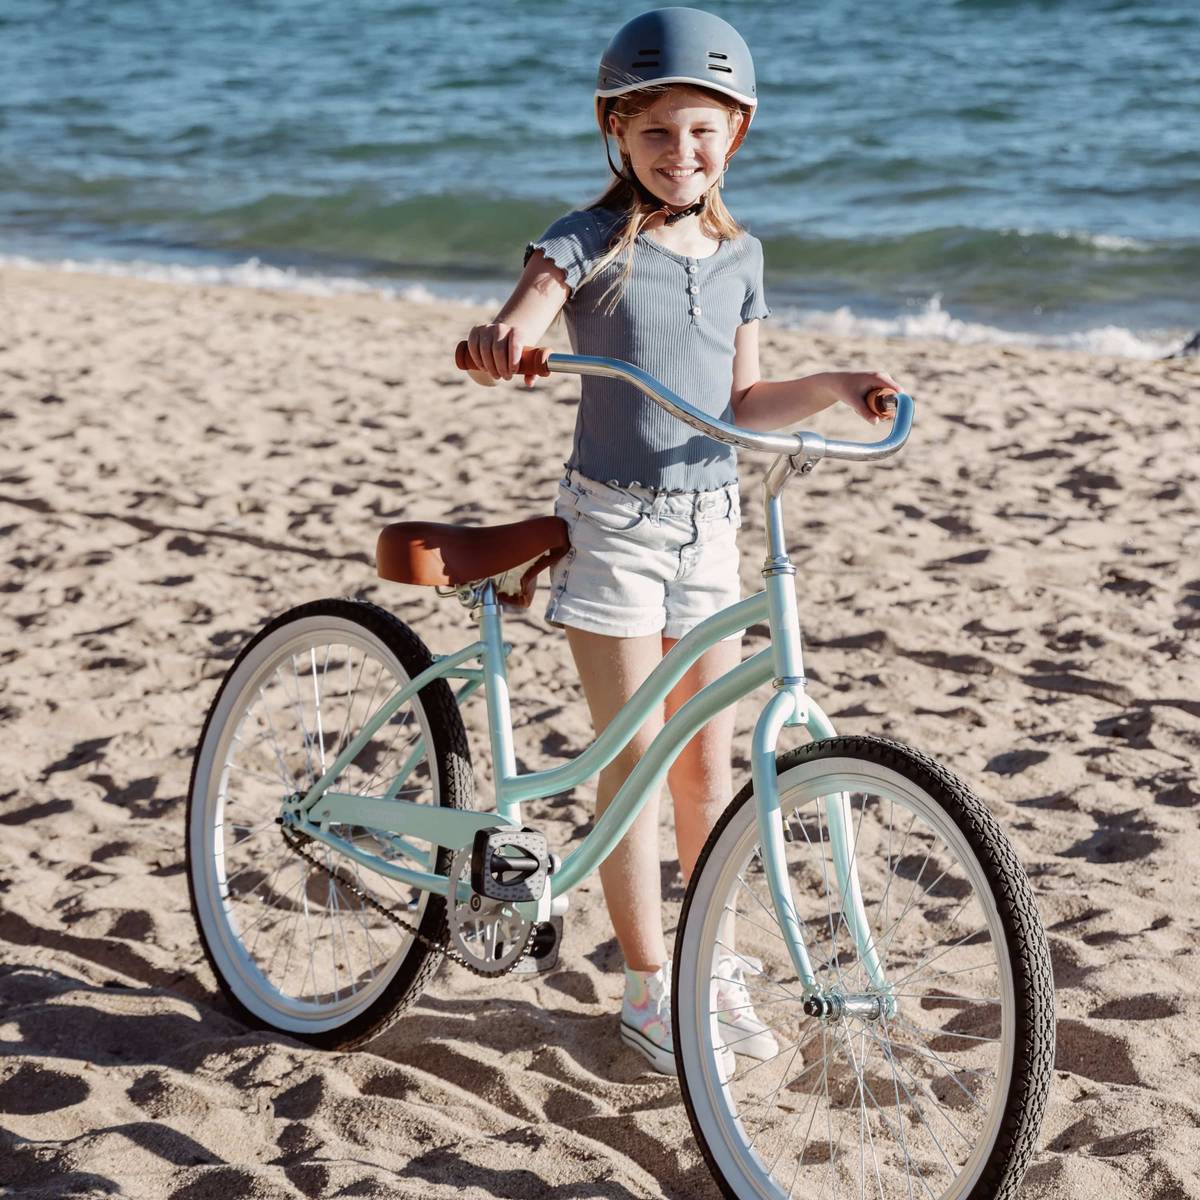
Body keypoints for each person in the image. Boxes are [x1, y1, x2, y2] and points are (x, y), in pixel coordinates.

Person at [462, 7, 901, 1076]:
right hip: (612, 527)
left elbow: (747, 399)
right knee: (632, 773)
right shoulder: (590, 236)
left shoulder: (742, 252)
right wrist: (507, 338)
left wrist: (837, 386)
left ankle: (711, 968)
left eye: (703, 132)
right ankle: (651, 992)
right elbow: (531, 302)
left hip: (711, 526)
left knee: (707, 770)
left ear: (736, 133)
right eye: (657, 134)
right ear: (619, 132)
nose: (681, 154)